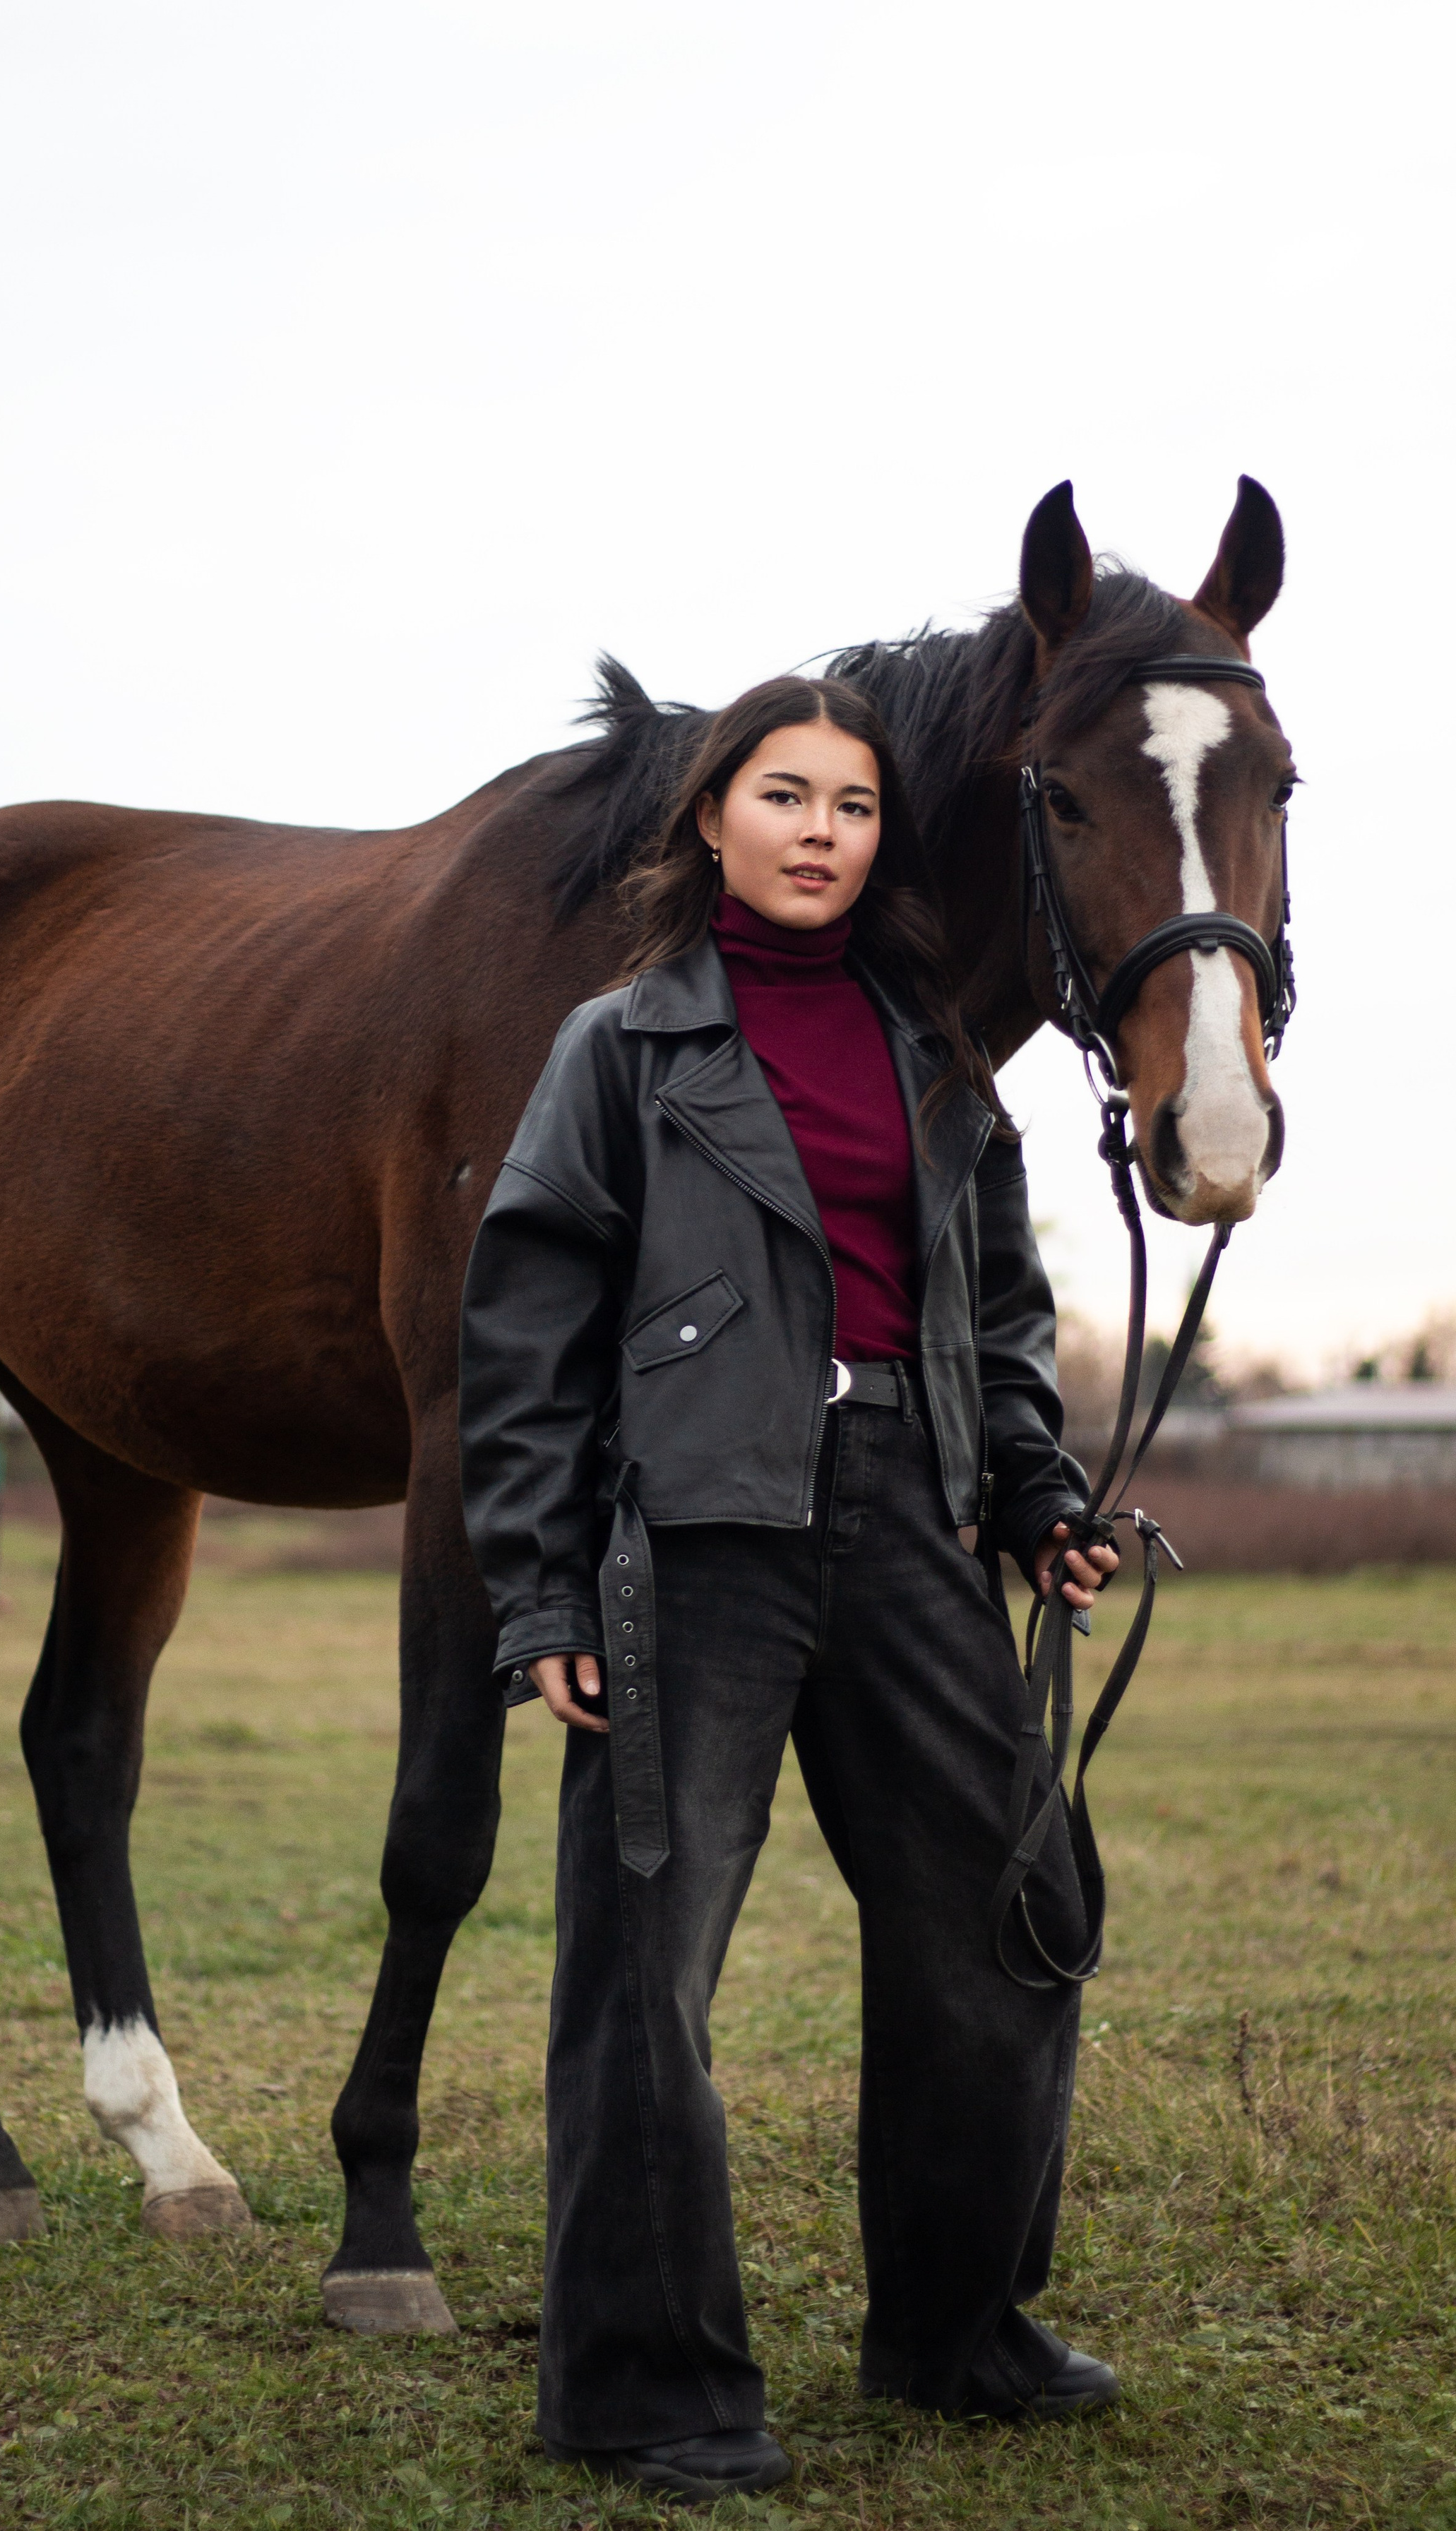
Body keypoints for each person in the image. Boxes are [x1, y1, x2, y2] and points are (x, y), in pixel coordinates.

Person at [458, 674, 1122, 2506]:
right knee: (643, 1964)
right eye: (785, 794)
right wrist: (544, 1598)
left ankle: (955, 2327)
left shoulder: (938, 1056)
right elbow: (526, 1332)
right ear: (712, 820)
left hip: (913, 1512)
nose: (823, 828)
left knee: (1012, 1907)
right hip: (699, 1527)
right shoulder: (623, 1047)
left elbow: (992, 1313)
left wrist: (1040, 1491)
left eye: (851, 803)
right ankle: (648, 2386)